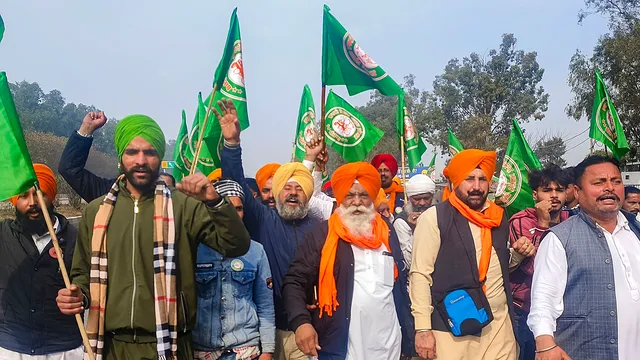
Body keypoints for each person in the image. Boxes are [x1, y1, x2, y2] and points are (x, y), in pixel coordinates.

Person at [56, 114, 251, 360]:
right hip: (112, 347)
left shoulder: (184, 206)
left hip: (172, 346)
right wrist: (78, 295)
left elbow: (236, 245)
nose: (140, 160)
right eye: (132, 152)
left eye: (149, 152)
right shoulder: (97, 210)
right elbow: (82, 272)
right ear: (120, 159)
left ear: (160, 157)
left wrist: (214, 201)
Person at [215, 99, 318, 360]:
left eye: (299, 189)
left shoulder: (319, 228)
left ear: (308, 195)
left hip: (306, 330)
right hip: (264, 332)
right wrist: (232, 144)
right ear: (277, 193)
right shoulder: (263, 218)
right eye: (288, 188)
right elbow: (235, 182)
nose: (293, 194)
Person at [282, 162, 415, 360]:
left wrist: (410, 337)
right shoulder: (321, 234)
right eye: (349, 195)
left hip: (389, 345)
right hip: (341, 346)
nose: (357, 202)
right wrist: (301, 322)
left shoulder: (387, 231)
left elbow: (399, 287)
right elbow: (294, 282)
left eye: (363, 195)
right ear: (339, 198)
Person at [528, 155, 640, 360]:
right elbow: (543, 298)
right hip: (584, 351)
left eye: (616, 181)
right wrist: (544, 343)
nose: (609, 188)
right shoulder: (559, 238)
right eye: (599, 182)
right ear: (578, 192)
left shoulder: (635, 230)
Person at [410, 149, 517, 360]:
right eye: (469, 179)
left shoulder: (498, 217)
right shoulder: (435, 218)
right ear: (455, 182)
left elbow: (497, 266)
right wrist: (422, 329)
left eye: (482, 179)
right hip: (453, 328)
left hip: (498, 328)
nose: (476, 187)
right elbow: (420, 275)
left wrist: (518, 255)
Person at [0, 164, 83, 359]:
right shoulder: (3, 235)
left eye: (40, 193)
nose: (32, 202)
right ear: (14, 200)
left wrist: (82, 295)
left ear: (51, 196)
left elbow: (86, 280)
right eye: (23, 196)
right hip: (12, 348)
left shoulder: (75, 238)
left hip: (63, 348)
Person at [194, 179, 275, 360]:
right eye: (228, 207)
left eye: (238, 209)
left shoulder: (256, 251)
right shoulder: (194, 248)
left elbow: (265, 305)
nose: (233, 214)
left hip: (245, 351)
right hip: (203, 351)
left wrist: (268, 351)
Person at [507, 164, 570, 360]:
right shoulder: (521, 221)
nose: (554, 196)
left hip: (561, 309)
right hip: (524, 309)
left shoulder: (572, 220)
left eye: (559, 190)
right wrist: (543, 225)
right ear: (535, 195)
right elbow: (534, 267)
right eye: (547, 190)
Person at [58, 111, 116, 202]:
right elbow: (70, 170)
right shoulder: (113, 194)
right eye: (132, 152)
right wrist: (87, 128)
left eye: (147, 152)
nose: (140, 160)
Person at [393, 174, 436, 269]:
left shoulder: (439, 215)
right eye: (417, 199)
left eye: (426, 198)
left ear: (432, 197)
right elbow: (409, 262)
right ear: (409, 198)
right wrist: (417, 229)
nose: (422, 203)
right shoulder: (401, 222)